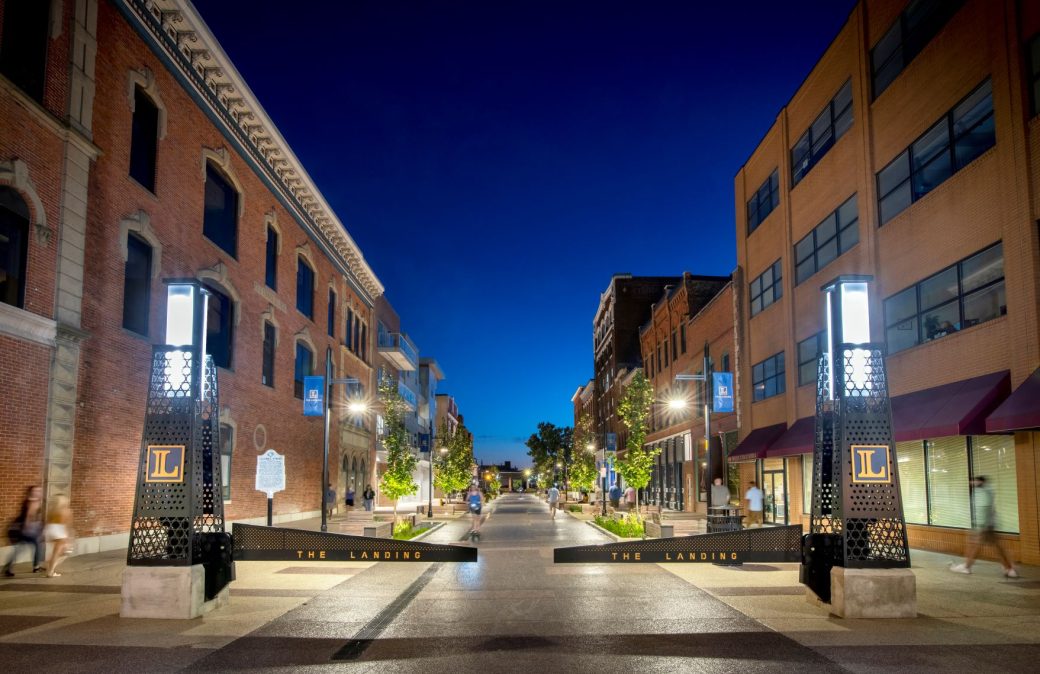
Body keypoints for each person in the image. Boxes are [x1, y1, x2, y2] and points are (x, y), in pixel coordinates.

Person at [951, 475, 1017, 577]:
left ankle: (967, 567)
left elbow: (983, 508)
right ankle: (1009, 569)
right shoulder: (987, 491)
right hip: (989, 524)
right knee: (996, 547)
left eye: (973, 481)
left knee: (974, 546)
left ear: (979, 481)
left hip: (982, 525)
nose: (971, 483)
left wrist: (980, 525)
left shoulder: (981, 492)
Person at [3, 485, 44, 577]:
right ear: (32, 492)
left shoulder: (29, 500)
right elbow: (29, 516)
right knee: (38, 545)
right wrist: (27, 528)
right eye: (36, 491)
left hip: (22, 528)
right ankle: (36, 567)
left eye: (39, 491)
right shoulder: (33, 502)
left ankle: (8, 568)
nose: (39, 493)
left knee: (20, 549)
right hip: (26, 528)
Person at [45, 495, 72, 577]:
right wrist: (67, 538)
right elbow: (66, 525)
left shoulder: (52, 510)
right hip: (60, 531)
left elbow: (47, 522)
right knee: (62, 553)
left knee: (57, 552)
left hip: (50, 529)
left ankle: (49, 566)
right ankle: (50, 571)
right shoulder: (67, 511)